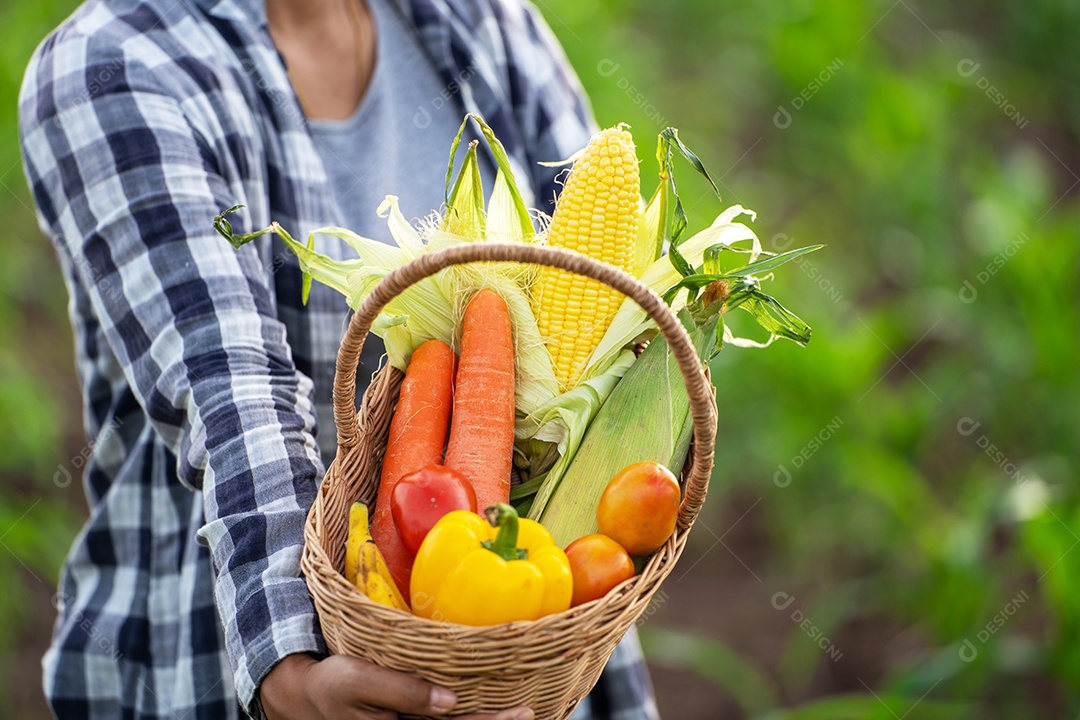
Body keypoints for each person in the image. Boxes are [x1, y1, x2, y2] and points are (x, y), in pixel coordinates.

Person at [19, 0, 662, 718]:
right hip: (241, 650)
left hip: (527, 637)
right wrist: (292, 658)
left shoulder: (481, 18)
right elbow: (231, 384)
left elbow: (610, 291)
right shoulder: (115, 64)